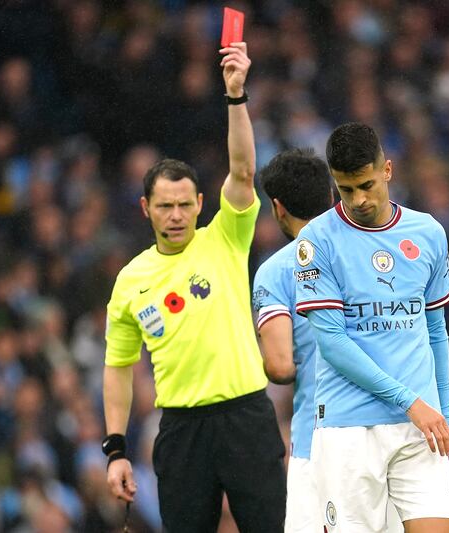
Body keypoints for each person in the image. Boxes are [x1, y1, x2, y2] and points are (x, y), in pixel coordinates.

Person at [101, 42, 286, 532]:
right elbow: (118, 368)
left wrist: (235, 96)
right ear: (145, 209)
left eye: (185, 204)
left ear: (201, 203)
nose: (177, 216)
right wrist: (115, 449)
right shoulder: (130, 281)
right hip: (181, 429)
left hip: (246, 417)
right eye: (165, 206)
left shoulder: (225, 237)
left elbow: (244, 170)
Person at [293, 123, 449, 533]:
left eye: (366, 185)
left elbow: (436, 330)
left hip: (420, 424)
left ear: (387, 170)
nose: (359, 199)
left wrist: (445, 411)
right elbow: (332, 343)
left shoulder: (428, 233)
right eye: (346, 190)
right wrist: (411, 401)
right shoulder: (316, 241)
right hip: (350, 427)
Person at [252, 149, 335, 532]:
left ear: (278, 207)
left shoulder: (276, 271)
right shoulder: (373, 255)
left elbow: (281, 366)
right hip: (390, 426)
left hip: (318, 437)